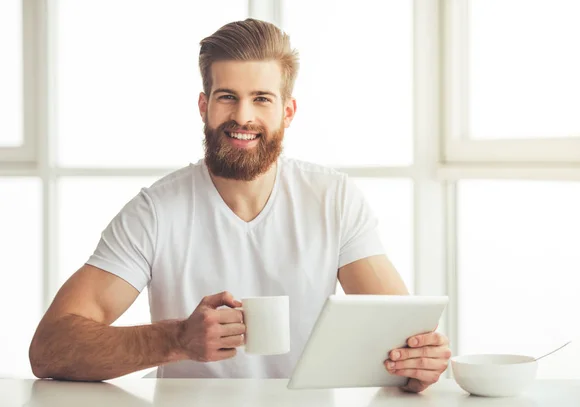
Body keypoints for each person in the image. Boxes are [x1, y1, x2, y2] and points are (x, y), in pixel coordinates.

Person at [28, 18, 451, 393]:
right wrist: (175, 339)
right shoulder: (156, 211)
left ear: (288, 112)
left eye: (262, 99)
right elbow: (49, 348)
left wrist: (421, 361)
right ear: (204, 107)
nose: (243, 116)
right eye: (227, 96)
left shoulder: (332, 199)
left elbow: (402, 334)